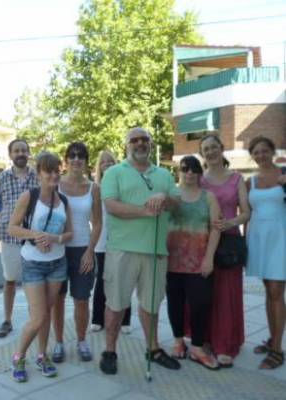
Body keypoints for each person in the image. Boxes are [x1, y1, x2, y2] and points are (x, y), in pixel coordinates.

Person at [99, 127, 181, 375]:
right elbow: (111, 205)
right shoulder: (114, 172)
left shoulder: (164, 174)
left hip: (155, 250)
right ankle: (110, 351)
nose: (139, 143)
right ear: (127, 145)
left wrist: (163, 196)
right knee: (116, 304)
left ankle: (153, 348)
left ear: (151, 144)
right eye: (134, 140)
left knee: (151, 304)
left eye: (144, 139)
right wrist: (145, 210)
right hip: (122, 250)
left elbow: (177, 204)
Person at [8, 152, 73, 382]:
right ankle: (19, 356)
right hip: (33, 263)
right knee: (38, 316)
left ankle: (42, 355)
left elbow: (70, 233)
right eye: (49, 171)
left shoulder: (63, 200)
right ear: (39, 174)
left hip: (57, 263)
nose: (54, 174)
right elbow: (12, 228)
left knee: (46, 315)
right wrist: (36, 235)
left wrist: (54, 239)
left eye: (57, 170)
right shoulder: (30, 196)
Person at [199, 134, 250, 368]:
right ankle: (207, 339)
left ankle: (227, 343)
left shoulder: (236, 178)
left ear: (222, 149)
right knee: (207, 293)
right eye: (206, 149)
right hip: (206, 242)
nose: (210, 152)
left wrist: (228, 223)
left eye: (213, 147)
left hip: (229, 244)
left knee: (228, 295)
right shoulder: (199, 180)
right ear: (203, 154)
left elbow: (246, 212)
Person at [166, 156, 221, 371]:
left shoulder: (208, 197)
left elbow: (216, 228)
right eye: (185, 169)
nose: (189, 173)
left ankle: (197, 347)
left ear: (199, 172)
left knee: (200, 305)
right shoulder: (172, 196)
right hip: (172, 261)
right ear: (179, 171)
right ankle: (178, 341)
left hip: (199, 263)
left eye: (193, 169)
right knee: (175, 304)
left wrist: (209, 258)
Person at [51, 142, 102, 363]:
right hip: (59, 250)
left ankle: (81, 341)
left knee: (81, 299)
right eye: (72, 155)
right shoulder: (56, 185)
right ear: (66, 160)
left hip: (83, 249)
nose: (76, 159)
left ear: (86, 160)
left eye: (81, 155)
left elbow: (98, 224)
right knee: (58, 299)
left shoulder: (93, 188)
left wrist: (90, 252)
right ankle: (59, 342)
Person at [246, 136, 286, 370]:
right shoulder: (250, 181)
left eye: (264, 151)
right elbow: (246, 210)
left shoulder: (284, 174)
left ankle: (278, 351)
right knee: (269, 291)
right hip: (259, 238)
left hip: (281, 236)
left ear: (272, 151)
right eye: (256, 152)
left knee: (276, 291)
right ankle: (273, 339)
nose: (261, 155)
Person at [0, 139, 38, 338]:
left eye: (24, 150)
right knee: (10, 280)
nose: (20, 153)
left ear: (28, 153)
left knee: (33, 281)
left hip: (33, 237)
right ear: (10, 154)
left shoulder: (38, 176)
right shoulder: (2, 177)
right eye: (16, 150)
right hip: (9, 237)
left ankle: (35, 319)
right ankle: (7, 319)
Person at [91, 150, 133, 334]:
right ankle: (97, 319)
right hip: (101, 240)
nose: (106, 164)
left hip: (122, 239)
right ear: (98, 167)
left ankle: (125, 321)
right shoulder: (95, 189)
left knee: (123, 278)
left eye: (110, 162)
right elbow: (93, 216)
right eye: (103, 162)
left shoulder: (123, 186)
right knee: (102, 279)